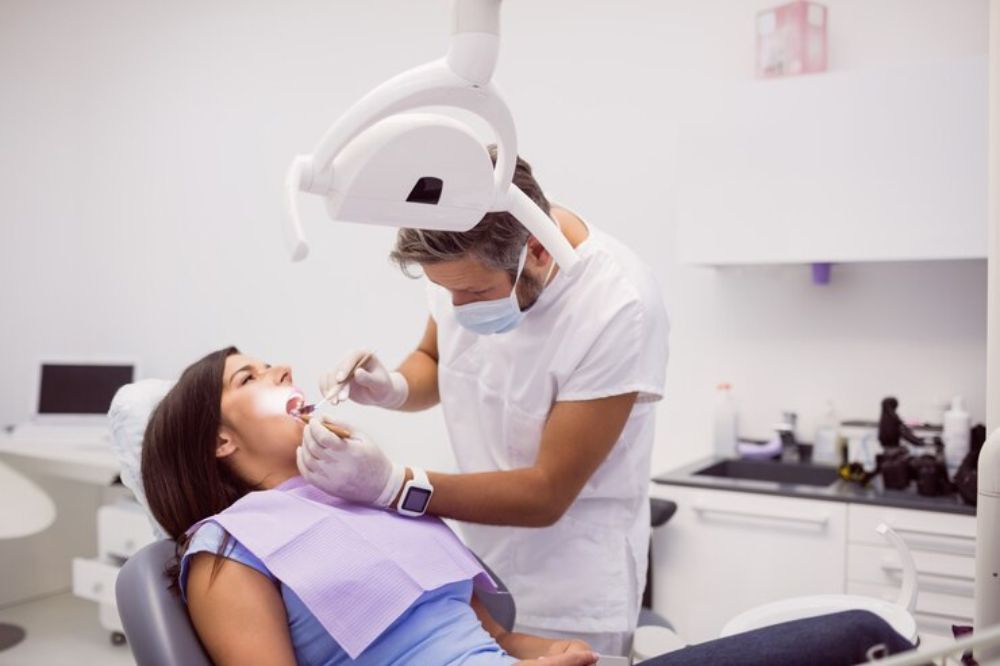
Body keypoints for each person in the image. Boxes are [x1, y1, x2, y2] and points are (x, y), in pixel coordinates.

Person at [140, 347, 915, 666]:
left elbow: (489, 636)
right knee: (854, 640)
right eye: (247, 379)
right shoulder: (226, 550)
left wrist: (547, 653)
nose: (276, 367)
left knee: (863, 634)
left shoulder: (360, 499)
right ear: (215, 443)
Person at [299, 148, 671, 654]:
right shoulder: (463, 252)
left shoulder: (616, 307)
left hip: (573, 582)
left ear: (537, 251)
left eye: (473, 293)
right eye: (445, 292)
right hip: (480, 565)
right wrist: (393, 386)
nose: (457, 308)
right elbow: (436, 358)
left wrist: (395, 486)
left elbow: (546, 493)